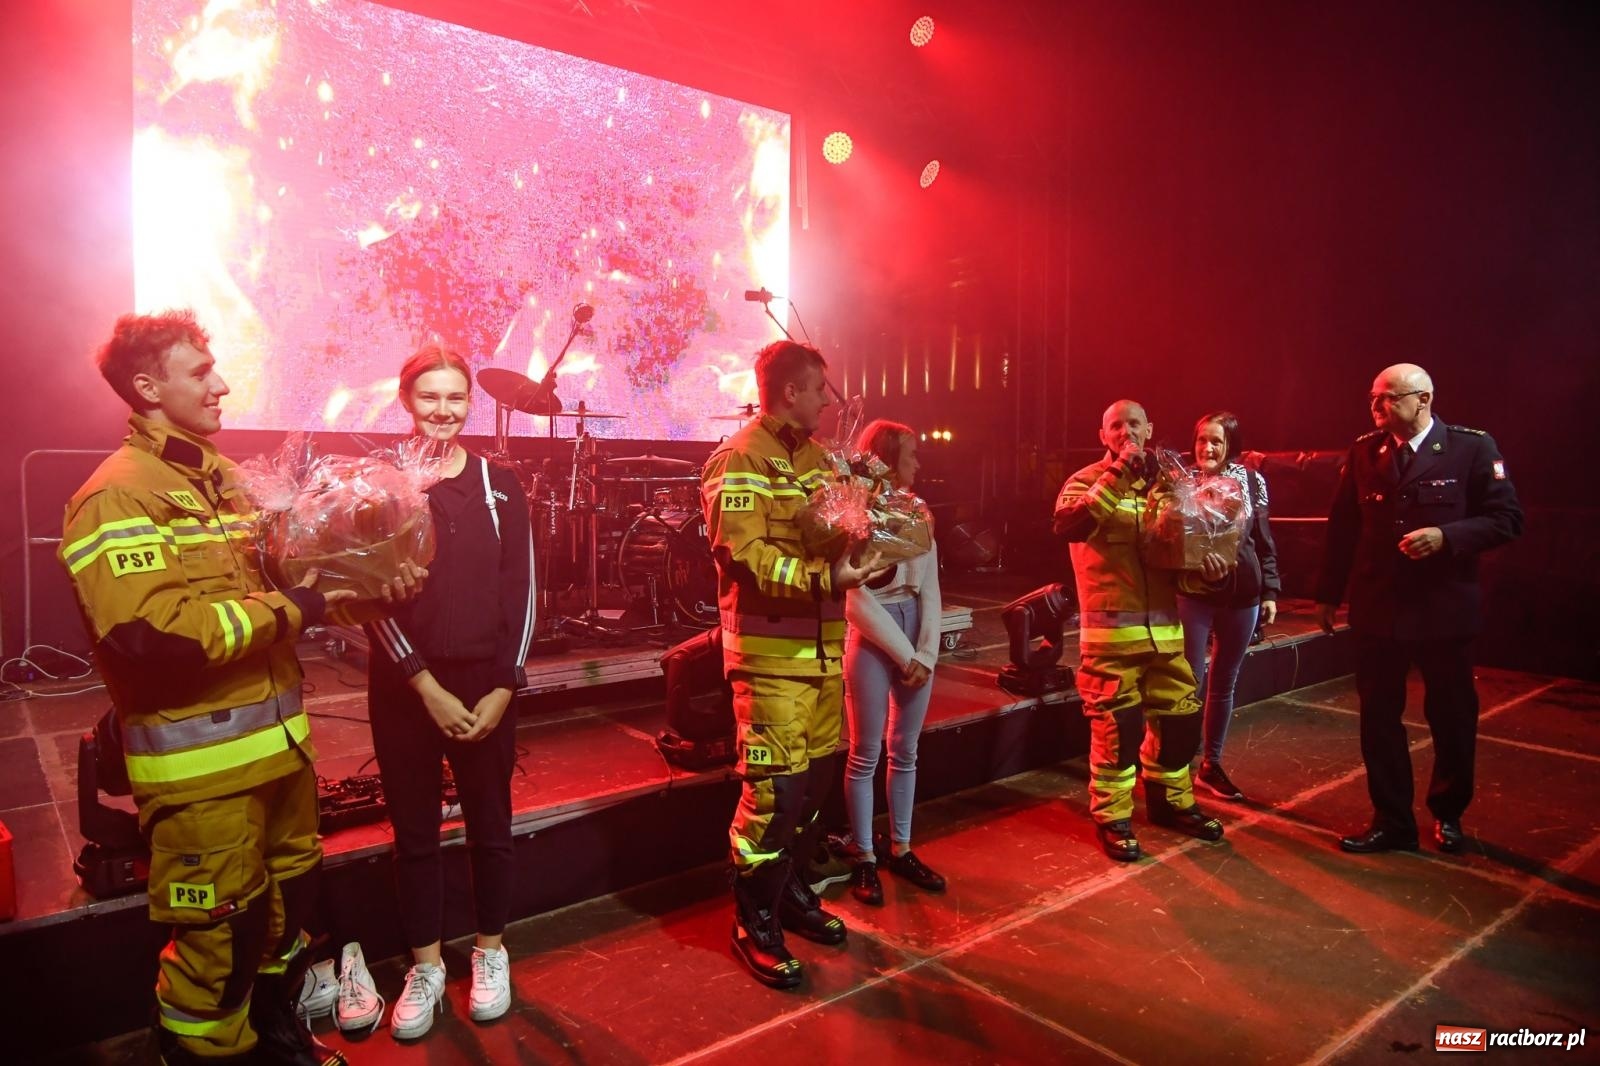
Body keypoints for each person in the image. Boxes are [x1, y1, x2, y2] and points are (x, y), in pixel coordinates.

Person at [59, 310, 419, 1066]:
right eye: (200, 373)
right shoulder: (117, 496)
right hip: (201, 782)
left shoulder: (224, 480)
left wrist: (371, 584)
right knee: (218, 950)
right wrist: (302, 605)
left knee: (283, 922)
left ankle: (273, 1040)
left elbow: (290, 584)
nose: (222, 385)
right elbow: (154, 637)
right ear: (147, 387)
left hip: (279, 760)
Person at [362, 342, 536, 1038]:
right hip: (407, 687)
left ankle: (492, 951)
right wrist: (423, 683)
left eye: (455, 397)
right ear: (406, 401)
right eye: (429, 397)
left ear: (471, 403)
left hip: (485, 684)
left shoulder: (501, 485)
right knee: (415, 834)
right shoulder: (379, 485)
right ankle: (427, 964)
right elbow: (371, 600)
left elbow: (521, 592)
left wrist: (503, 686)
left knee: (492, 828)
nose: (443, 410)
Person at [700, 339, 883, 988]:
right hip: (770, 661)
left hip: (824, 657)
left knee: (810, 794)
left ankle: (791, 893)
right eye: (820, 391)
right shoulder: (737, 458)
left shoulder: (818, 461)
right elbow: (740, 556)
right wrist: (823, 575)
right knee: (774, 797)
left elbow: (838, 535)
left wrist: (869, 531)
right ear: (791, 392)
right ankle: (753, 923)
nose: (829, 403)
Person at [1315, 363, 1522, 855]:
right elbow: (1342, 528)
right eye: (1373, 397)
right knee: (1378, 717)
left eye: (1388, 397)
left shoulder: (1471, 448)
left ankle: (1448, 814)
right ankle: (1392, 819)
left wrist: (1448, 537)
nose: (1376, 406)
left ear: (1423, 399)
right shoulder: (1366, 450)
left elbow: (1507, 518)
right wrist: (1327, 593)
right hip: (1379, 609)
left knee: (1451, 716)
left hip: (1442, 610)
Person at [1053, 399, 1230, 862]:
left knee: (1180, 727)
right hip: (1111, 644)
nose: (1125, 431)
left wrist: (1205, 575)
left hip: (1167, 639)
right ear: (1103, 435)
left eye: (1134, 423)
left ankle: (1173, 804)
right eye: (1116, 425)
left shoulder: (1170, 486)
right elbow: (1069, 525)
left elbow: (1177, 564)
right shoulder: (1085, 482)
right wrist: (1119, 473)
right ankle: (1112, 818)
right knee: (1118, 733)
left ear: (1149, 428)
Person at [839, 420, 946, 905]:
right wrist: (907, 654)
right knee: (865, 753)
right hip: (873, 631)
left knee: (906, 751)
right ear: (885, 457)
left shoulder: (918, 510)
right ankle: (864, 856)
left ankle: (900, 848)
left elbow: (931, 588)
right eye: (911, 454)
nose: (919, 463)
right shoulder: (853, 512)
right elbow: (853, 596)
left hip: (911, 625)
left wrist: (926, 652)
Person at [1177, 412, 1281, 802]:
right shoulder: (1179, 482)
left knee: (1224, 681)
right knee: (1187, 681)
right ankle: (1176, 760)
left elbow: (1264, 538)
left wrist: (1270, 590)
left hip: (1242, 594)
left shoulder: (1252, 481)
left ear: (1230, 445)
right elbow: (1168, 542)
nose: (1207, 448)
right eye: (1202, 439)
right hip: (1193, 594)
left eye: (1216, 441)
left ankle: (1211, 765)